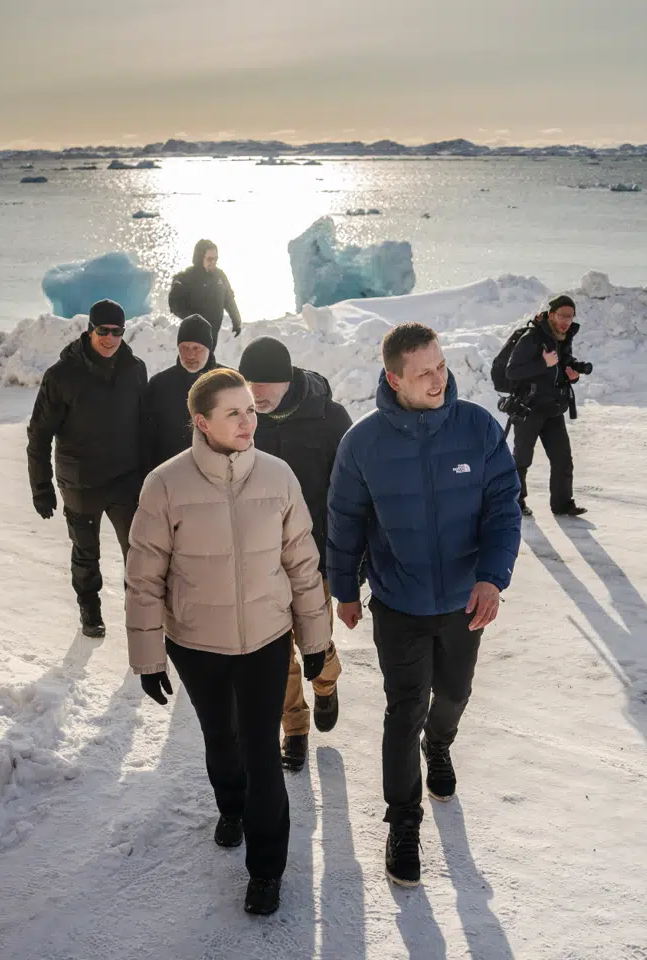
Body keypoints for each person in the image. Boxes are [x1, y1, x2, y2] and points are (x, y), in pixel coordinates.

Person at [126, 368, 332, 917]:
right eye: (234, 413)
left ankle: (267, 869)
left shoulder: (278, 475)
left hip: (266, 638)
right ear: (202, 421)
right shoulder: (165, 484)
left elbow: (303, 566)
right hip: (196, 643)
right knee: (221, 738)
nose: (249, 421)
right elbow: (144, 577)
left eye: (251, 409)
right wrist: (148, 657)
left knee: (263, 752)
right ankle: (231, 807)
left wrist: (316, 640)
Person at [326, 322, 522, 887]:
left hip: (465, 602)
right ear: (394, 379)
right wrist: (344, 587)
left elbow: (503, 508)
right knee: (402, 707)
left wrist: (492, 578)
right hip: (399, 602)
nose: (439, 379)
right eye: (424, 373)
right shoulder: (362, 443)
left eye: (441, 366)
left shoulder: (477, 427)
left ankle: (439, 746)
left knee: (455, 693)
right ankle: (403, 823)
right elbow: (345, 520)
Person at [238, 336, 351, 773]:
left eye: (267, 383)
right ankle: (294, 726)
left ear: (288, 380)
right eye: (251, 382)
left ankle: (326, 684)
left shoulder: (329, 418)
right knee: (274, 650)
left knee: (313, 639)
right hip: (257, 559)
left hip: (313, 556)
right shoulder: (241, 418)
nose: (257, 392)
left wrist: (351, 558)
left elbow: (352, 494)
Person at [27, 299, 148, 638]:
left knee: (138, 551)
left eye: (118, 332)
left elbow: (144, 425)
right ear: (90, 329)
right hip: (81, 482)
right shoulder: (61, 376)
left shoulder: (135, 370)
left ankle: (137, 610)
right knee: (86, 552)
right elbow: (39, 434)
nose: (110, 338)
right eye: (103, 331)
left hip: (125, 479)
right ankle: (90, 608)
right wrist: (41, 486)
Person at [504, 294, 593, 518]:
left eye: (570, 317)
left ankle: (562, 504)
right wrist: (543, 363)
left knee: (563, 458)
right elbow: (511, 371)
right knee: (522, 459)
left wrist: (571, 375)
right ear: (551, 315)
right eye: (562, 315)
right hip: (529, 408)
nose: (566, 321)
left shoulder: (563, 338)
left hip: (553, 408)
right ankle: (516, 502)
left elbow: (560, 367)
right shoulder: (532, 338)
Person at [142, 314, 224, 468]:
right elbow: (147, 439)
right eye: (184, 348)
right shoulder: (159, 384)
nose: (190, 355)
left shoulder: (227, 382)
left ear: (209, 348)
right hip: (171, 473)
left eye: (196, 348)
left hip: (218, 472)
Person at [168, 239, 242, 341]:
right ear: (199, 258)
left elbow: (229, 299)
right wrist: (193, 320)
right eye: (209, 259)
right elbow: (174, 305)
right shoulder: (186, 277)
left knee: (209, 356)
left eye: (215, 259)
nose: (213, 262)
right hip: (192, 335)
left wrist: (236, 321)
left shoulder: (220, 276)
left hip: (212, 334)